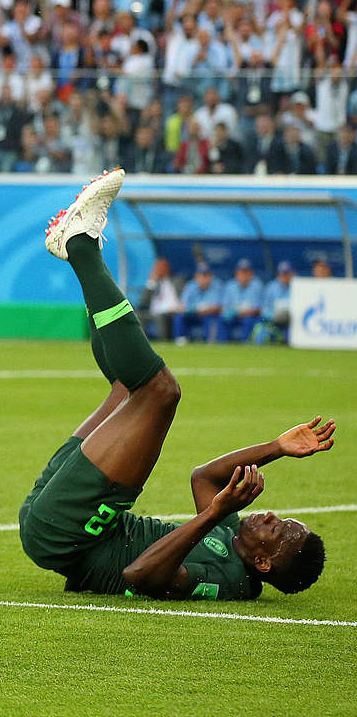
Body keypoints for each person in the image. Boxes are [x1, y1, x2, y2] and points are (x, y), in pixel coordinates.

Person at [23, 168, 331, 600]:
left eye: (278, 530)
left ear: (264, 563)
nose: (273, 516)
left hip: (71, 529)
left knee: (161, 392)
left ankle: (78, 245)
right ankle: (84, 248)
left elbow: (141, 577)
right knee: (126, 389)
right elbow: (203, 477)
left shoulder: (233, 582)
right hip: (65, 520)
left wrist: (212, 515)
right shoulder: (233, 537)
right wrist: (276, 448)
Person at [173, 262, 224, 344]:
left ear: (211, 276)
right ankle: (180, 339)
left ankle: (211, 341)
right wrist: (195, 309)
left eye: (206, 275)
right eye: (201, 275)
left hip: (209, 315)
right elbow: (182, 306)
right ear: (196, 276)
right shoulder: (190, 286)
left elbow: (218, 307)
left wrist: (205, 309)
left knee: (212, 318)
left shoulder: (217, 285)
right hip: (193, 313)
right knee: (180, 317)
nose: (203, 278)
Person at [137, 257, 181, 340]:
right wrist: (151, 282)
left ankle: (163, 340)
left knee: (159, 317)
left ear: (167, 268)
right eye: (157, 267)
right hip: (154, 312)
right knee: (139, 316)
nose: (159, 269)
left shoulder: (176, 281)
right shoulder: (153, 284)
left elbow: (182, 297)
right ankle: (143, 341)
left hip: (171, 311)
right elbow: (143, 302)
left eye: (161, 267)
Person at [222, 258, 265, 342]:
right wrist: (232, 312)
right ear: (236, 273)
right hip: (234, 316)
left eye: (246, 272)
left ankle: (246, 343)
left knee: (249, 320)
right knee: (223, 319)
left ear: (251, 274)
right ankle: (221, 343)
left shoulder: (257, 285)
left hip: (251, 317)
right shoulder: (230, 286)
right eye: (241, 272)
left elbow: (257, 309)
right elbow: (225, 307)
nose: (243, 275)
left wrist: (240, 312)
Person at [258, 261, 294, 344]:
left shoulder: (298, 286)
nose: (284, 276)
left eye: (286, 273)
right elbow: (264, 308)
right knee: (261, 335)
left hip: (292, 322)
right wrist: (272, 316)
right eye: (282, 273)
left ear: (292, 273)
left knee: (290, 337)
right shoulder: (271, 287)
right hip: (273, 321)